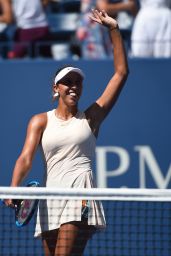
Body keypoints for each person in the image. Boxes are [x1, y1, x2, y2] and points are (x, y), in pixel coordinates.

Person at [5, 9, 129, 256]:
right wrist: (13, 187)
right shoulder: (40, 120)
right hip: (50, 198)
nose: (74, 86)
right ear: (56, 88)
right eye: (68, 82)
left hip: (80, 196)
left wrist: (114, 30)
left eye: (78, 82)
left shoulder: (92, 117)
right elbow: (26, 158)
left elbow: (121, 73)